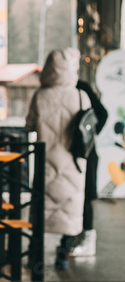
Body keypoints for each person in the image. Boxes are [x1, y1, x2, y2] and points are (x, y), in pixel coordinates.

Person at [26, 48, 90, 270]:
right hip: (74, 163)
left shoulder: (40, 95)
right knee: (70, 211)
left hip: (46, 162)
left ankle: (36, 259)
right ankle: (63, 253)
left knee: (42, 209)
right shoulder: (82, 95)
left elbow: (30, 124)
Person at [69, 79, 107, 256]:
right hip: (77, 152)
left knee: (85, 196)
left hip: (86, 152)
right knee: (77, 196)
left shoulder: (80, 87)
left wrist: (87, 133)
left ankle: (88, 240)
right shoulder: (75, 87)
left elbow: (102, 113)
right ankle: (78, 237)